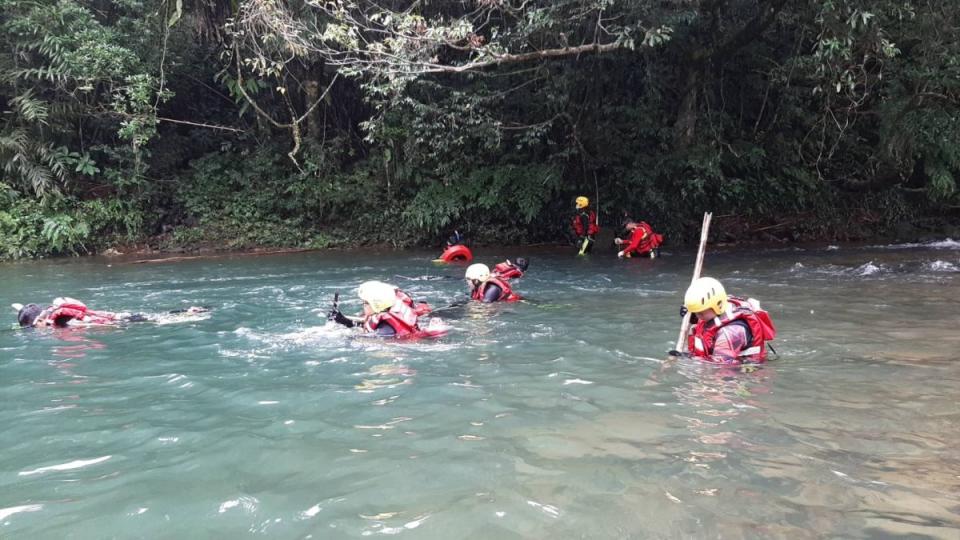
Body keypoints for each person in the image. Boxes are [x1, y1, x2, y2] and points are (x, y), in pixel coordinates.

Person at [682, 277, 777, 364]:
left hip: (742, 372)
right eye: (695, 312)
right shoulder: (719, 309)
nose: (697, 316)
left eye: (700, 312)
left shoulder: (731, 332)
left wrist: (687, 359)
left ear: (717, 305)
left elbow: (720, 365)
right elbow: (702, 322)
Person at [14, 298, 208, 328]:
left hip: (115, 323)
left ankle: (188, 313)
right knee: (154, 316)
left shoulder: (61, 320)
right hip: (117, 315)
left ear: (38, 321)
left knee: (154, 319)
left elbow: (84, 326)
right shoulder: (56, 314)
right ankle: (187, 310)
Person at [328, 281, 423, 337]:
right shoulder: (388, 312)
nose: (363, 306)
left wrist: (347, 337)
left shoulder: (385, 329)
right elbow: (366, 325)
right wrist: (343, 320)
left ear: (377, 305)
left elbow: (371, 341)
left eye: (365, 303)